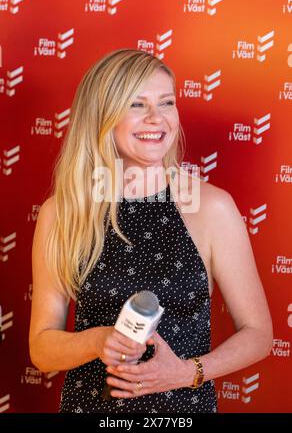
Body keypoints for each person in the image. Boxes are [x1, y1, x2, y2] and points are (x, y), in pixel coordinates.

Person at [29, 48, 273, 414]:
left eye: (166, 102)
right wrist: (97, 341)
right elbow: (42, 349)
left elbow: (259, 334)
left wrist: (185, 373)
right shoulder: (64, 212)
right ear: (102, 117)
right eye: (137, 105)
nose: (157, 119)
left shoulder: (211, 207)